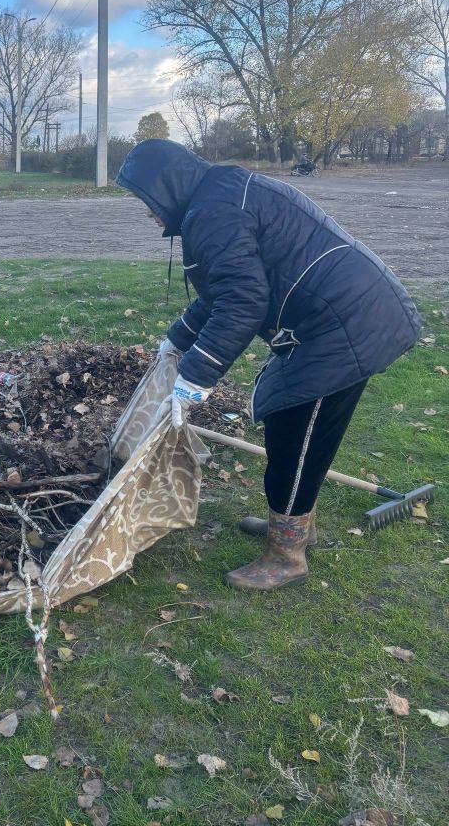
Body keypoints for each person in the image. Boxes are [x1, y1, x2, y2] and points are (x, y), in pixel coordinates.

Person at [116, 139, 422, 590]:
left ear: (167, 185)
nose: (147, 211)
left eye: (146, 199)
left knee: (297, 436)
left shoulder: (212, 213)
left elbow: (243, 302)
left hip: (344, 325)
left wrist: (196, 376)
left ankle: (287, 555)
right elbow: (225, 289)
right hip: (339, 316)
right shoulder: (218, 196)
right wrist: (177, 340)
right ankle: (296, 524)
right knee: (290, 429)